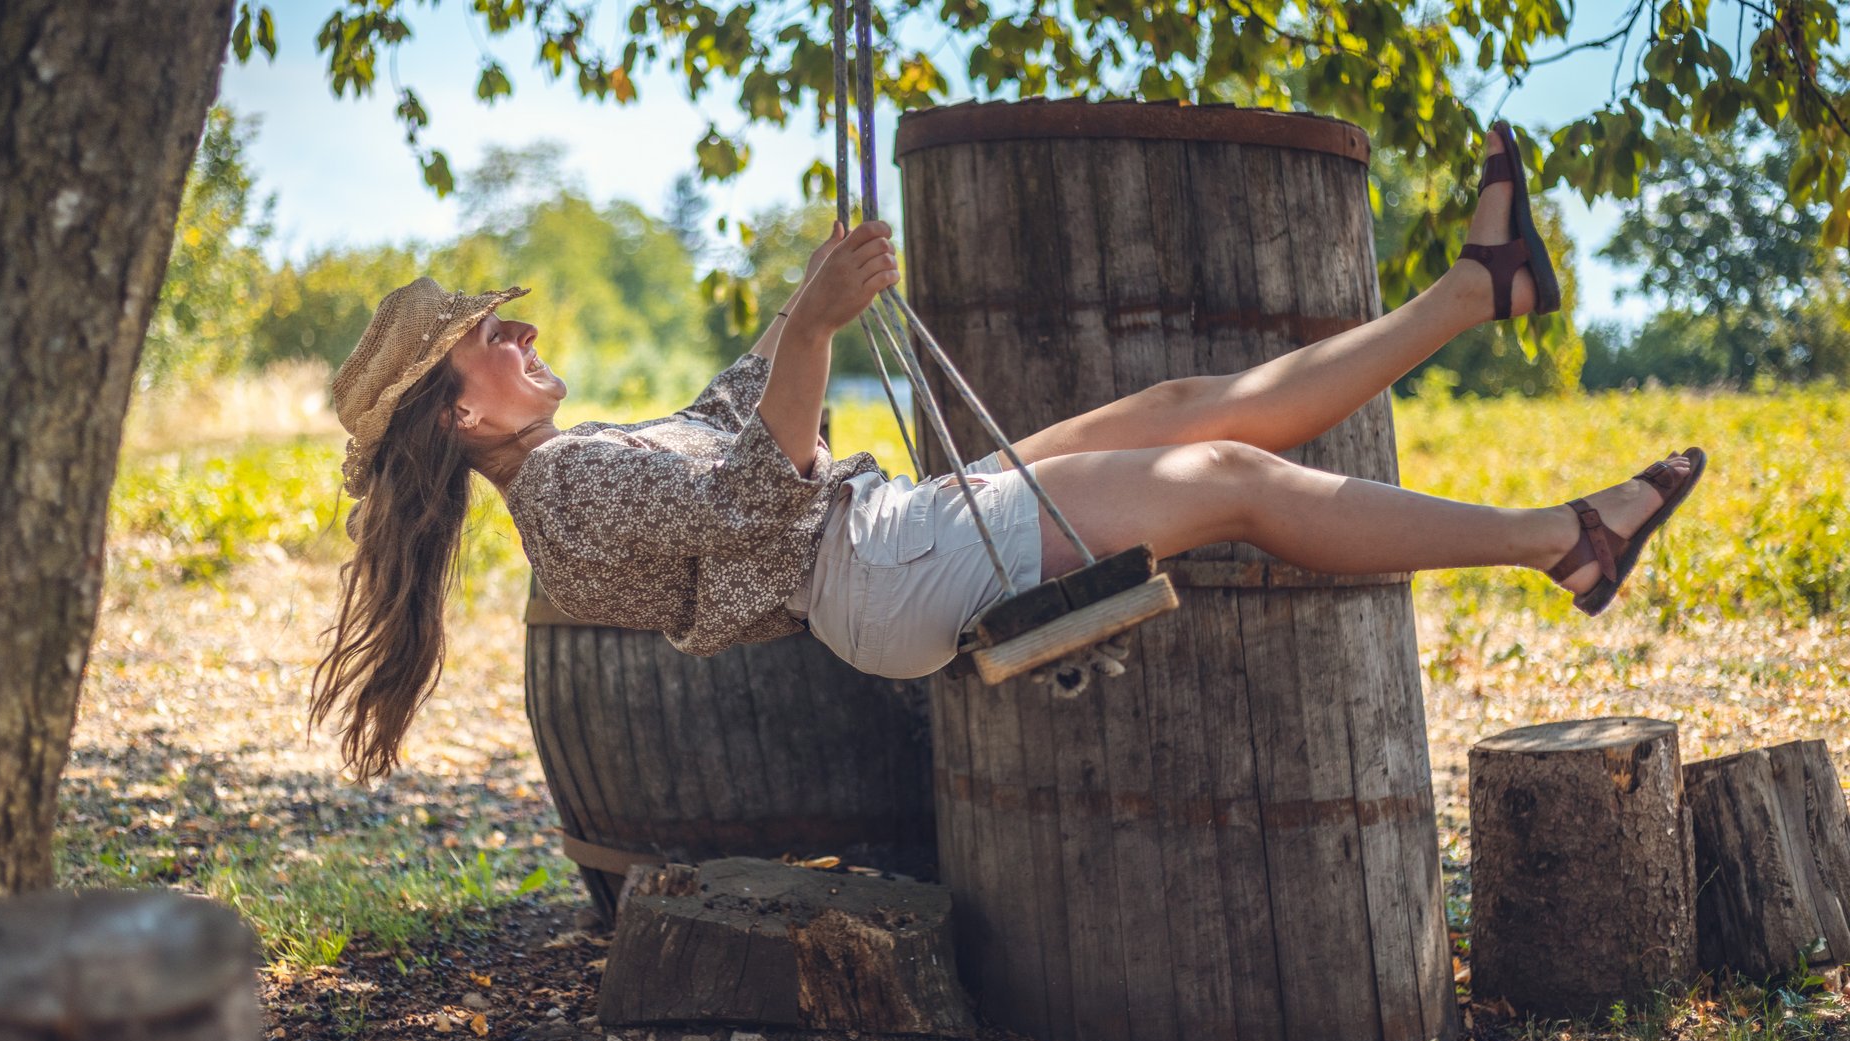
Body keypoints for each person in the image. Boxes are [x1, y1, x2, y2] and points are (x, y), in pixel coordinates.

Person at [310, 123, 1704, 781]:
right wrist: (807, 328)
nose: (520, 331)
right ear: (464, 418)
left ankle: (1479, 289)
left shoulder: (580, 474)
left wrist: (819, 297)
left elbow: (751, 430)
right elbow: (758, 504)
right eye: (489, 339)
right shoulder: (561, 494)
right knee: (1229, 485)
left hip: (887, 538)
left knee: (1184, 407)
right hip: (875, 576)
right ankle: (1562, 541)